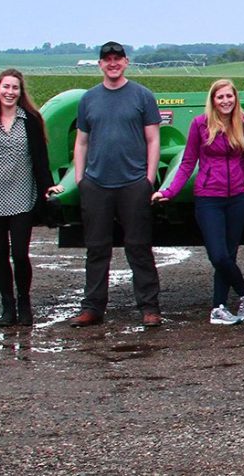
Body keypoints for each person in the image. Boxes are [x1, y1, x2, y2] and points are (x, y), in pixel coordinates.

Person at [70, 41, 163, 328]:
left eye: (117, 59)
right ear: (100, 64)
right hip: (96, 183)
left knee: (138, 247)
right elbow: (82, 141)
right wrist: (80, 179)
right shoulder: (89, 99)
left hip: (133, 182)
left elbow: (153, 139)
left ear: (126, 62)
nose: (112, 63)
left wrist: (148, 178)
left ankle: (149, 307)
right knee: (97, 248)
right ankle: (93, 308)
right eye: (107, 59)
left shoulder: (142, 96)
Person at [152, 79, 244, 325]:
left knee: (229, 255)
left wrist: (242, 179)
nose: (225, 101)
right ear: (213, 100)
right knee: (218, 255)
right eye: (220, 97)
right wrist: (169, 191)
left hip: (237, 199)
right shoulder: (200, 124)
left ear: (235, 98)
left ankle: (218, 308)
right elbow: (188, 162)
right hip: (209, 197)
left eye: (229, 97)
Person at [0, 69, 61, 326]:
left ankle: (24, 303)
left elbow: (40, 159)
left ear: (21, 92)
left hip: (22, 196)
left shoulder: (31, 120)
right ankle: (7, 306)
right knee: (0, 253)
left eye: (15, 88)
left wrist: (48, 187)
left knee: (20, 254)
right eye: (6, 87)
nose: (10, 92)